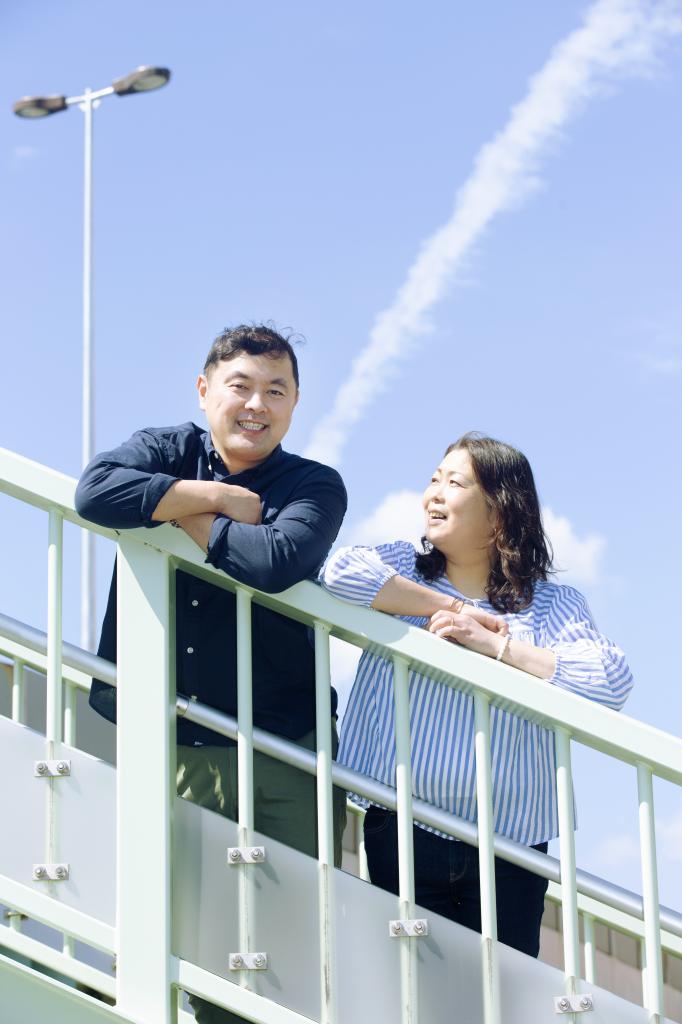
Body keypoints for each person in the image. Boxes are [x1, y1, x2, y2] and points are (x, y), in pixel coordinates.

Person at [76, 324, 348, 1023]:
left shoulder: (314, 483)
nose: (257, 404)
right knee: (164, 927)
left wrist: (177, 513)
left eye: (276, 391)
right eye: (241, 386)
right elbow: (94, 492)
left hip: (284, 748)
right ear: (205, 391)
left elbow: (273, 562)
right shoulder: (168, 447)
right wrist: (218, 500)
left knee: (278, 947)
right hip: (174, 737)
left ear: (294, 406)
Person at [321, 432, 633, 958]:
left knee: (500, 1000)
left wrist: (498, 646)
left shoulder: (551, 604)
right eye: (434, 480)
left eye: (455, 483)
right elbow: (338, 574)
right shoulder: (401, 565)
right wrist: (455, 611)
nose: (434, 495)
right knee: (412, 996)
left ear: (498, 514)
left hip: (510, 843)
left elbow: (610, 680)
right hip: (403, 822)